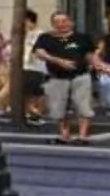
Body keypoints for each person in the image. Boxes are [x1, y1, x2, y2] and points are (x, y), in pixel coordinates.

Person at [34, 10, 96, 143]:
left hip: (80, 76)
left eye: (64, 21)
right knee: (58, 108)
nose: (61, 24)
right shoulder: (45, 37)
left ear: (71, 22)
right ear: (52, 24)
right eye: (57, 22)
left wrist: (100, 65)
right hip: (57, 77)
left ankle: (82, 136)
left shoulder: (82, 37)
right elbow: (40, 53)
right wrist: (58, 61)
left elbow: (89, 55)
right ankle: (64, 135)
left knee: (83, 106)